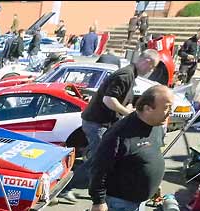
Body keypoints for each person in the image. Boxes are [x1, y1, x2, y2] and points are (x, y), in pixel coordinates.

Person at [61, 49, 160, 202]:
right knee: (98, 159)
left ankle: (93, 186)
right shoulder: (125, 75)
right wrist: (128, 113)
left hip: (100, 123)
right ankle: (65, 188)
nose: (151, 70)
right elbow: (109, 100)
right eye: (152, 66)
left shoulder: (130, 75)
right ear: (146, 61)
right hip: (97, 123)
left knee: (101, 158)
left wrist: (127, 108)